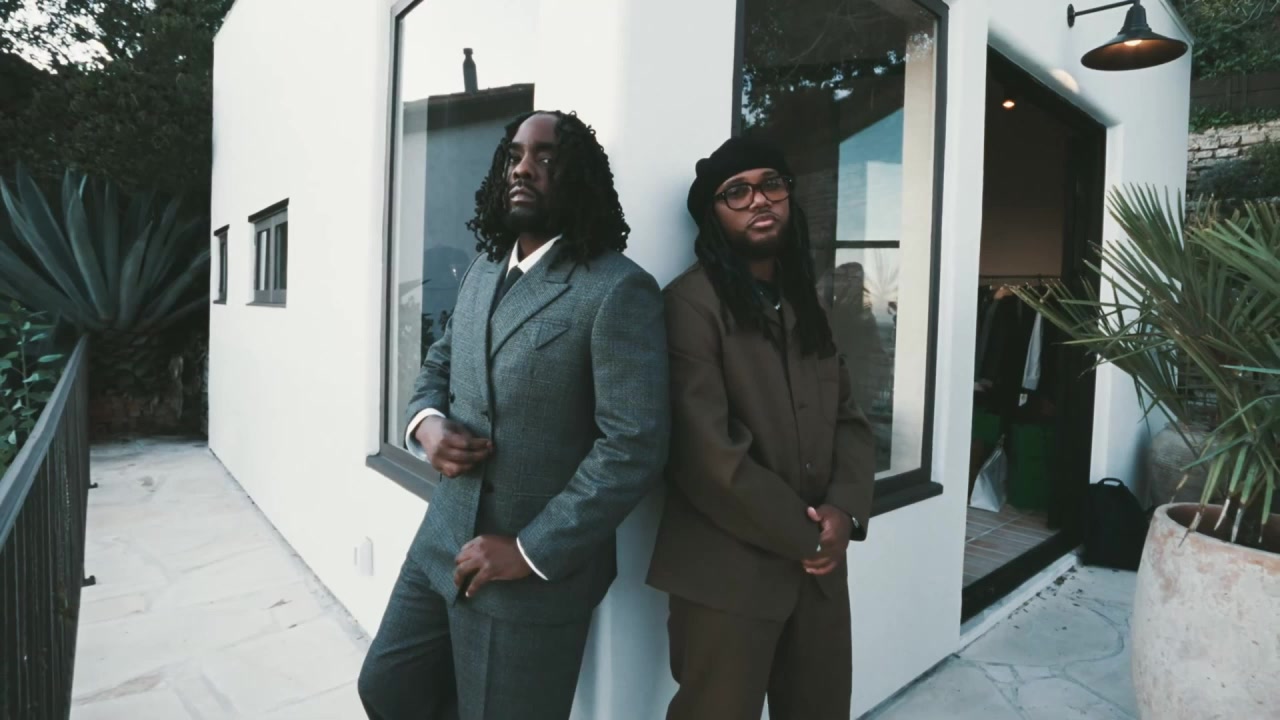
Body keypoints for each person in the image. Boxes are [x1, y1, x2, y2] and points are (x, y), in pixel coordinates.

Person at [358, 110, 670, 720]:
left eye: (546, 158)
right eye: (515, 156)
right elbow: (440, 362)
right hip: (441, 542)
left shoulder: (617, 289)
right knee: (387, 689)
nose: (524, 169)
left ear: (578, 178)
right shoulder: (483, 269)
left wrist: (527, 550)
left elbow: (634, 445)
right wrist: (425, 424)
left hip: (527, 574)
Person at [647, 137, 876, 720]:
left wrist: (845, 512)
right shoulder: (687, 306)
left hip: (819, 576)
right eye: (736, 192)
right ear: (713, 215)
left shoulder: (807, 304)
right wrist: (810, 536)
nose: (758, 200)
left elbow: (848, 419)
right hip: (727, 578)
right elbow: (707, 457)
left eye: (771, 184)